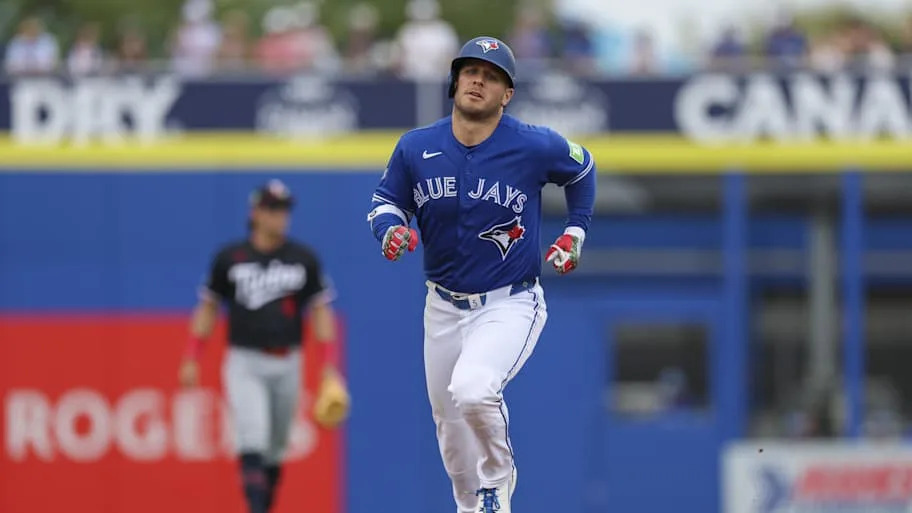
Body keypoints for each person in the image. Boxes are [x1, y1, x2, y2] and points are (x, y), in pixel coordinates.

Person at [366, 36, 596, 513]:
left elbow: (583, 167)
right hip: (442, 305)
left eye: (491, 76)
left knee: (473, 389)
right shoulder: (416, 146)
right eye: (470, 71)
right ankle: (473, 507)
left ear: (506, 94)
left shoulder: (532, 144)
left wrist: (575, 230)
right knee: (451, 435)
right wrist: (388, 229)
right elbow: (387, 202)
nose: (478, 80)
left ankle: (498, 477)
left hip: (509, 301)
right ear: (455, 82)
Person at [179, 179, 349, 513]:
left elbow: (320, 312)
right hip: (245, 360)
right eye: (272, 209)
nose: (279, 216)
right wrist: (191, 356)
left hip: (289, 361)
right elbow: (208, 308)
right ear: (255, 213)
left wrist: (329, 365)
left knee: (274, 451)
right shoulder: (231, 259)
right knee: (252, 438)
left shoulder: (303, 258)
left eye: (283, 209)